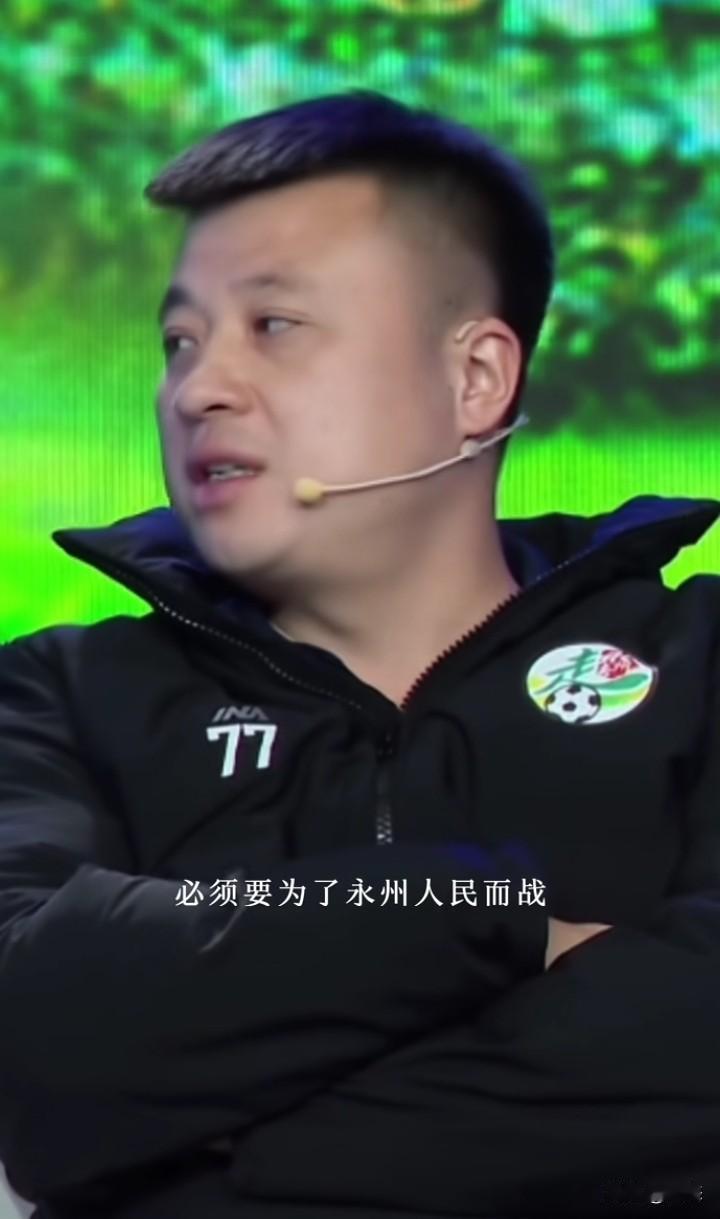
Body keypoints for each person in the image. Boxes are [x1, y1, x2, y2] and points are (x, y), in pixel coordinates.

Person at [0, 89, 717, 1219]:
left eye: (275, 326)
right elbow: (34, 1030)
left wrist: (216, 1163)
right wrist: (501, 923)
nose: (199, 388)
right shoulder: (57, 694)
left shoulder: (700, 662)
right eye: (179, 341)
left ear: (476, 378)